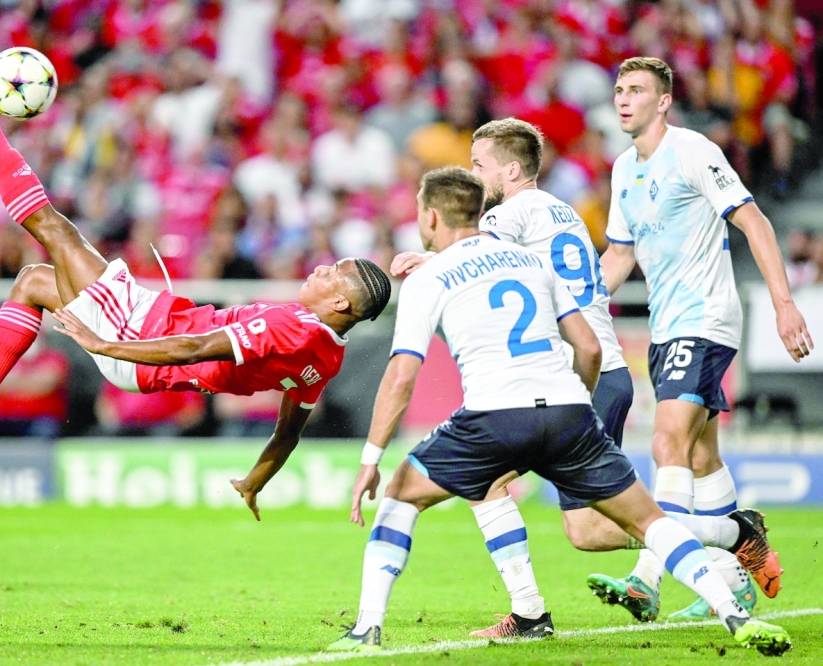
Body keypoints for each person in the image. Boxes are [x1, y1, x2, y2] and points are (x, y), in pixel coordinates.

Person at [0, 48, 391, 515]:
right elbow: (288, 432)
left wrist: (105, 345)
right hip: (143, 332)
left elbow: (194, 349)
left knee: (52, 227)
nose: (321, 268)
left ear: (343, 304)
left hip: (139, 334)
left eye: (333, 274)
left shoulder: (292, 326)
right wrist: (254, 481)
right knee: (33, 281)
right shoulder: (327, 355)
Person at [326, 167, 789, 655]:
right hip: (568, 408)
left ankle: (367, 629)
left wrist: (371, 459)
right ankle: (735, 615)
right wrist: (574, 410)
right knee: (649, 521)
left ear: (432, 215)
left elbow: (401, 377)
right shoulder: (532, 262)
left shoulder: (429, 275)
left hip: (492, 417)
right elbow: (587, 348)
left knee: (401, 496)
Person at [390, 118, 634, 637]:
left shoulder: (516, 212)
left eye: (480, 166)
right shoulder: (559, 210)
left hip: (583, 376)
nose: (474, 177)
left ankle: (721, 533)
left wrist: (429, 261)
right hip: (586, 372)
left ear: (514, 169)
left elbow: (473, 250)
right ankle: (528, 613)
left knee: (589, 529)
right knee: (492, 484)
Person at [589, 57, 812, 622]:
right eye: (618, 89)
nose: (623, 99)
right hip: (667, 325)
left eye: (636, 90)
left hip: (706, 317)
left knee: (667, 441)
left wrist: (785, 305)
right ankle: (738, 562)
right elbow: (620, 253)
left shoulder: (692, 151)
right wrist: (577, 304)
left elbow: (754, 220)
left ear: (663, 101)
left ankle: (647, 580)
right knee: (701, 454)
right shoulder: (622, 169)